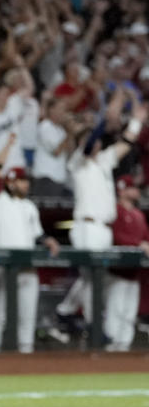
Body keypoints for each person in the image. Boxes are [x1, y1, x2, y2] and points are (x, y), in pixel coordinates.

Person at [54, 115, 137, 328]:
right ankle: (92, 324)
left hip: (104, 227)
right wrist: (103, 122)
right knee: (92, 274)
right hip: (86, 226)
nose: (96, 143)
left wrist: (137, 119)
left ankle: (67, 310)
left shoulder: (104, 160)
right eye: (90, 139)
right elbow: (89, 144)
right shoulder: (77, 161)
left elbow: (127, 143)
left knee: (95, 276)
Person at [0, 158, 60, 354]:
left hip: (28, 267)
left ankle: (25, 355)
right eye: (21, 180)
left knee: (28, 316)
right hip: (5, 267)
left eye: (26, 180)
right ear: (10, 183)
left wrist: (48, 240)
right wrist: (7, 146)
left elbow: (37, 234)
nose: (26, 184)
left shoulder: (29, 206)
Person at [104, 175, 149, 352]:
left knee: (129, 313)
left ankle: (124, 349)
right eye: (132, 187)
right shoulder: (114, 211)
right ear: (122, 190)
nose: (136, 191)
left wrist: (143, 243)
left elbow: (146, 237)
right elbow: (116, 237)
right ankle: (112, 346)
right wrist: (138, 244)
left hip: (134, 272)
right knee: (115, 310)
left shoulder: (138, 214)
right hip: (117, 271)